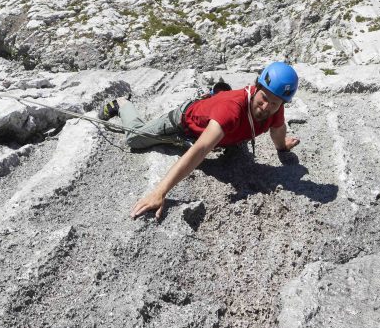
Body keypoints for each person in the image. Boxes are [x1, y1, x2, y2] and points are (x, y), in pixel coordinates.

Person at [102, 62, 302, 221]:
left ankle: (215, 96)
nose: (266, 107)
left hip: (227, 134)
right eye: (263, 98)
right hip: (185, 124)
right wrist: (160, 192)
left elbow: (277, 130)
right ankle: (123, 104)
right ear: (256, 87)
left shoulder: (275, 108)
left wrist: (282, 147)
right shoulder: (232, 109)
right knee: (135, 139)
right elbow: (201, 148)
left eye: (274, 103)